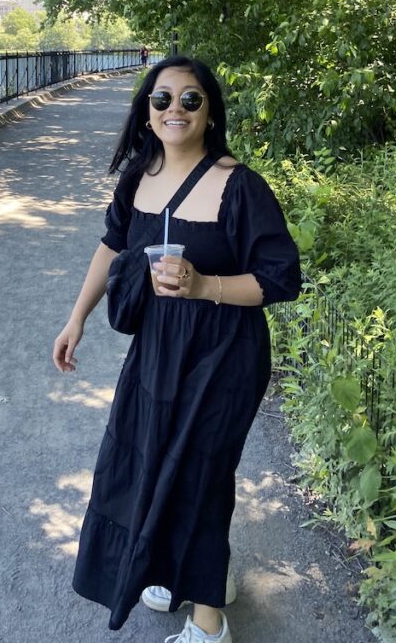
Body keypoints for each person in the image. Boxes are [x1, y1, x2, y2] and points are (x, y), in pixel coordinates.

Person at [52, 56, 301, 643]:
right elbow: (111, 247)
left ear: (210, 111)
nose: (175, 110)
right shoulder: (140, 176)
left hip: (225, 355)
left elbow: (280, 279)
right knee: (144, 460)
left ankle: (209, 624)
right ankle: (186, 573)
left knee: (199, 474)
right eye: (162, 99)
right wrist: (75, 319)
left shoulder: (238, 185)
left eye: (191, 100)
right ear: (146, 110)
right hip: (159, 351)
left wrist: (202, 285)